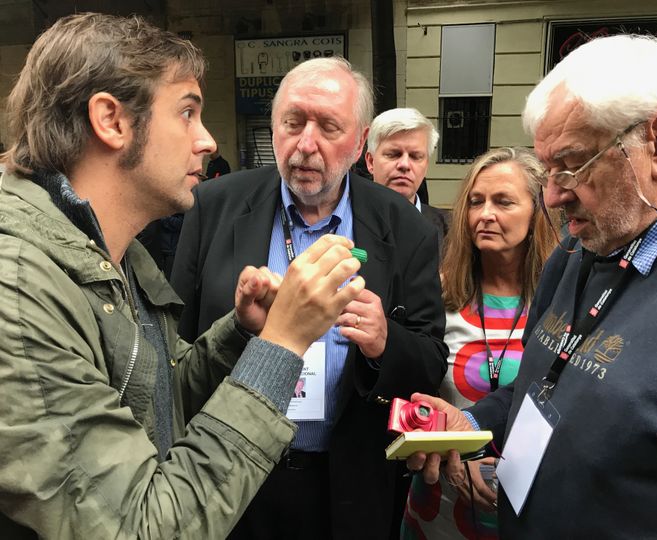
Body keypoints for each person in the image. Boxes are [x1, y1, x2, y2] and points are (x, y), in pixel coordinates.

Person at [0, 13, 366, 539]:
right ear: (112, 120)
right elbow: (141, 528)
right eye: (188, 113)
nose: (209, 141)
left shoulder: (115, 255)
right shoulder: (19, 292)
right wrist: (283, 344)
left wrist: (241, 337)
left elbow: (158, 402)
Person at [407, 34, 657, 538]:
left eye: (571, 165)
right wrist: (473, 423)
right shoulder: (579, 249)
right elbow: (540, 382)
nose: (551, 196)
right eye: (547, 168)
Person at [170, 57, 448, 540]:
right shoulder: (214, 207)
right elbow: (177, 342)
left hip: (348, 485)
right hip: (228, 481)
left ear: (361, 142)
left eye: (328, 127)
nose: (305, 144)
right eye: (293, 123)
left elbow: (430, 360)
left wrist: (385, 341)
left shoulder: (406, 228)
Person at [401, 148, 557, 539]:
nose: (484, 214)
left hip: (531, 504)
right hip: (440, 503)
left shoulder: (561, 302)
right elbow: (411, 394)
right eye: (475, 201)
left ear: (538, 212)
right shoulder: (436, 293)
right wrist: (458, 448)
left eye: (503, 201)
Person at [366, 107, 450, 242]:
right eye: (393, 154)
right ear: (370, 162)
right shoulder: (342, 221)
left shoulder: (452, 231)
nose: (404, 164)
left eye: (415, 156)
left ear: (426, 166)